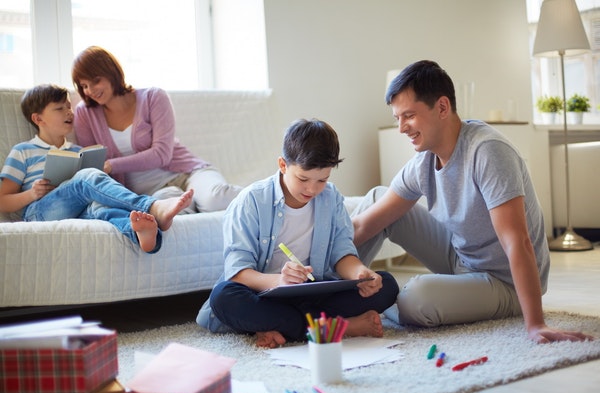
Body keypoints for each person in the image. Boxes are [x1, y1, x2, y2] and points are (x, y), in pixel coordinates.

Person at [352, 60, 594, 344]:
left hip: (506, 283)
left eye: (409, 116)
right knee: (377, 199)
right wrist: (314, 269)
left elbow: (517, 241)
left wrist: (536, 324)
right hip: (461, 257)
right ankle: (329, 298)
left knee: (417, 298)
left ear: (442, 107)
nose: (402, 128)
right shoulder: (423, 162)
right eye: (397, 118)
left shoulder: (488, 151)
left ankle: (374, 311)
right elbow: (364, 224)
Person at [196, 118, 399, 348]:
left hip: (314, 295)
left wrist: (360, 273)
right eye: (303, 179)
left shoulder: (331, 198)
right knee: (224, 297)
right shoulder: (251, 201)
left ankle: (283, 327)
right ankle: (340, 327)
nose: (312, 189)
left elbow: (342, 254)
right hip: (264, 295)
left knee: (387, 285)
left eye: (322, 180)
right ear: (283, 165)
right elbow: (238, 272)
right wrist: (280, 281)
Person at [0, 84, 193, 254]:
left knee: (100, 209)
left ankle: (142, 234)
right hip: (39, 212)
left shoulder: (78, 151)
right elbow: (2, 201)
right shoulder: (23, 151)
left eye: (69, 106)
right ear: (38, 118)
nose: (69, 112)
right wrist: (32, 194)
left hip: (78, 209)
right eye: (60, 108)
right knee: (85, 178)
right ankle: (152, 206)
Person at [71, 45, 242, 213]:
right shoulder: (84, 113)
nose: (90, 91)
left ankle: (266, 195)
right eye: (84, 85)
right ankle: (192, 206)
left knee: (215, 199)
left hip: (189, 174)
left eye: (95, 81)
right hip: (152, 194)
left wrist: (111, 165)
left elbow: (162, 154)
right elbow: (91, 164)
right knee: (172, 212)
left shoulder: (153, 97)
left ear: (111, 73)